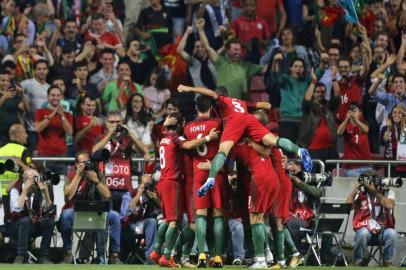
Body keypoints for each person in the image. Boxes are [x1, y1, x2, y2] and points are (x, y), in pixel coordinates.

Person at [176, 85, 312, 196]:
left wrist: (188, 89)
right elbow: (267, 105)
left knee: (223, 151)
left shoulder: (221, 101)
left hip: (233, 121)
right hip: (248, 118)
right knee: (274, 140)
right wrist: (256, 109)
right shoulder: (240, 102)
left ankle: (211, 178)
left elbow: (211, 93)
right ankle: (299, 150)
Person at [151, 112, 219, 267]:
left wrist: (165, 124)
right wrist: (208, 138)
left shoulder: (164, 137)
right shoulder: (178, 139)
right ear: (181, 125)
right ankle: (171, 254)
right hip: (182, 183)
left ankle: (159, 252)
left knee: (170, 221)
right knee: (186, 224)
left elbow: (159, 129)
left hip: (168, 181)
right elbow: (188, 145)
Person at [182, 95, 225, 267]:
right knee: (217, 214)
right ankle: (218, 257)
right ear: (210, 108)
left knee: (200, 214)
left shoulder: (188, 128)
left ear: (196, 108)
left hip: (198, 172)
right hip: (215, 171)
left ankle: (200, 255)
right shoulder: (217, 124)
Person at [59, 151, 122, 264]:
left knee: (115, 216)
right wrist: (78, 176)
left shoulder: (97, 173)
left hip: (95, 211)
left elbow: (107, 195)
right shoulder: (71, 173)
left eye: (87, 163)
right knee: (65, 215)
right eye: (82, 163)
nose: (85, 166)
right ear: (76, 164)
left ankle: (114, 254)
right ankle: (67, 252)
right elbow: (68, 196)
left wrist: (96, 181)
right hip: (77, 212)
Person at [92, 110, 149, 212]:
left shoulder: (127, 139)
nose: (115, 125)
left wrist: (131, 134)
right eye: (112, 122)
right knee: (109, 219)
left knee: (125, 219)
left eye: (118, 122)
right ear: (106, 123)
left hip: (125, 188)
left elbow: (145, 151)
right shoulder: (100, 137)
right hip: (106, 188)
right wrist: (109, 135)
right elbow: (94, 151)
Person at [346, 170, 398, 267]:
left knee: (392, 233)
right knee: (363, 233)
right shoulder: (360, 194)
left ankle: (388, 262)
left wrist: (375, 193)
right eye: (366, 180)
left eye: (370, 180)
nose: (368, 183)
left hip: (383, 230)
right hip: (365, 230)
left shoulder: (388, 192)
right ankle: (357, 261)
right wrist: (355, 189)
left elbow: (390, 205)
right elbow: (347, 207)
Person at [8, 168, 55, 264]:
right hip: (17, 227)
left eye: (37, 178)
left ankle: (44, 256)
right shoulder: (16, 189)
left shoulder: (41, 189)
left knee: (49, 222)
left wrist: (45, 192)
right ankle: (21, 255)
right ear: (25, 180)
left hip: (34, 225)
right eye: (33, 178)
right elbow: (17, 208)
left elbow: (49, 210)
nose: (36, 181)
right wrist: (25, 189)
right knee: (25, 221)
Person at [285, 160, 322, 255]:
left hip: (305, 219)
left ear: (299, 165)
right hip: (287, 216)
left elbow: (318, 193)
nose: (287, 167)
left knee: (294, 223)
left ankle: (295, 255)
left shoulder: (308, 179)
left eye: (290, 164)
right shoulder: (286, 178)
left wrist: (301, 184)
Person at [34, 86, 73, 175]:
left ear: (61, 97)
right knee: (44, 184)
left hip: (61, 155)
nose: (56, 98)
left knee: (63, 184)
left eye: (58, 95)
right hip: (44, 154)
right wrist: (52, 114)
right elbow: (38, 128)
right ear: (48, 97)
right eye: (53, 95)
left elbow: (69, 132)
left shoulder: (67, 115)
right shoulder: (40, 112)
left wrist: (62, 116)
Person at [123, 174, 160, 262]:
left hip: (143, 224)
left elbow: (162, 209)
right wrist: (139, 194)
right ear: (140, 183)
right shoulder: (131, 193)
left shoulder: (151, 194)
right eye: (145, 184)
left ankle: (150, 257)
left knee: (152, 221)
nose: (149, 176)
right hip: (129, 225)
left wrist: (155, 199)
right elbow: (126, 212)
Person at [21, 59, 50, 152]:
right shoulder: (27, 83)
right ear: (35, 70)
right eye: (39, 69)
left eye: (44, 69)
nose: (42, 71)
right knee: (29, 156)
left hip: (46, 129)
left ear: (47, 70)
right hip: (31, 128)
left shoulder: (49, 88)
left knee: (44, 155)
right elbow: (17, 90)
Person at [337, 102, 372, 177]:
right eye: (351, 111)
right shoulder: (346, 126)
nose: (353, 113)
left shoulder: (364, 123)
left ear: (360, 113)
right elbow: (339, 132)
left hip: (366, 166)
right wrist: (346, 119)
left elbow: (366, 130)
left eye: (355, 111)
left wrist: (356, 120)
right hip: (351, 168)